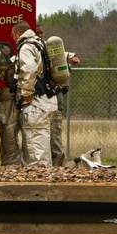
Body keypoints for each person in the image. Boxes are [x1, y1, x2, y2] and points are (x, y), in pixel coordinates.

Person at [11, 19, 57, 166]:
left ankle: (40, 181)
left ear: (18, 34)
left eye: (13, 35)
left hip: (36, 104)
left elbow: (29, 68)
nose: (12, 38)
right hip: (47, 101)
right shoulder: (40, 43)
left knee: (35, 146)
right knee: (41, 140)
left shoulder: (25, 47)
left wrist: (26, 93)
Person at [35, 25, 79, 166]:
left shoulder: (51, 50)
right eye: (37, 33)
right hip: (37, 105)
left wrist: (72, 59)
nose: (40, 35)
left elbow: (62, 55)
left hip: (54, 104)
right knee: (39, 140)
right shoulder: (31, 51)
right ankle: (42, 167)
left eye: (42, 32)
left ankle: (57, 168)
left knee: (55, 139)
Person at [0, 42, 22, 165]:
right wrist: (2, 56)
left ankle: (32, 166)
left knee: (32, 135)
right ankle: (11, 165)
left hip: (24, 97)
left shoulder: (27, 47)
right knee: (8, 134)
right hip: (5, 97)